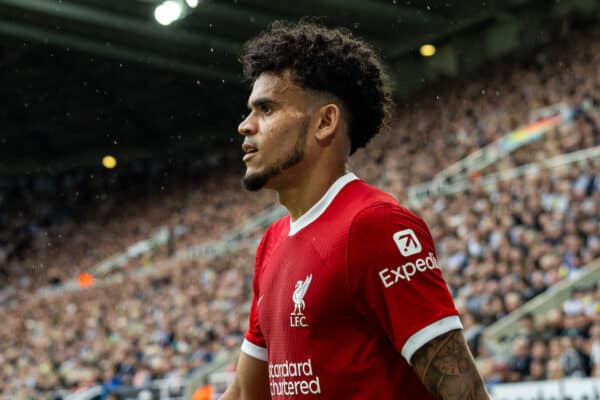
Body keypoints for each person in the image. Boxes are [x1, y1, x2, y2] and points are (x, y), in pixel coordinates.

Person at [220, 20, 490, 400]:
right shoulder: (272, 242)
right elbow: (247, 393)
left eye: (266, 109)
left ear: (325, 122)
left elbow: (465, 393)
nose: (245, 126)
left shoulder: (374, 225)